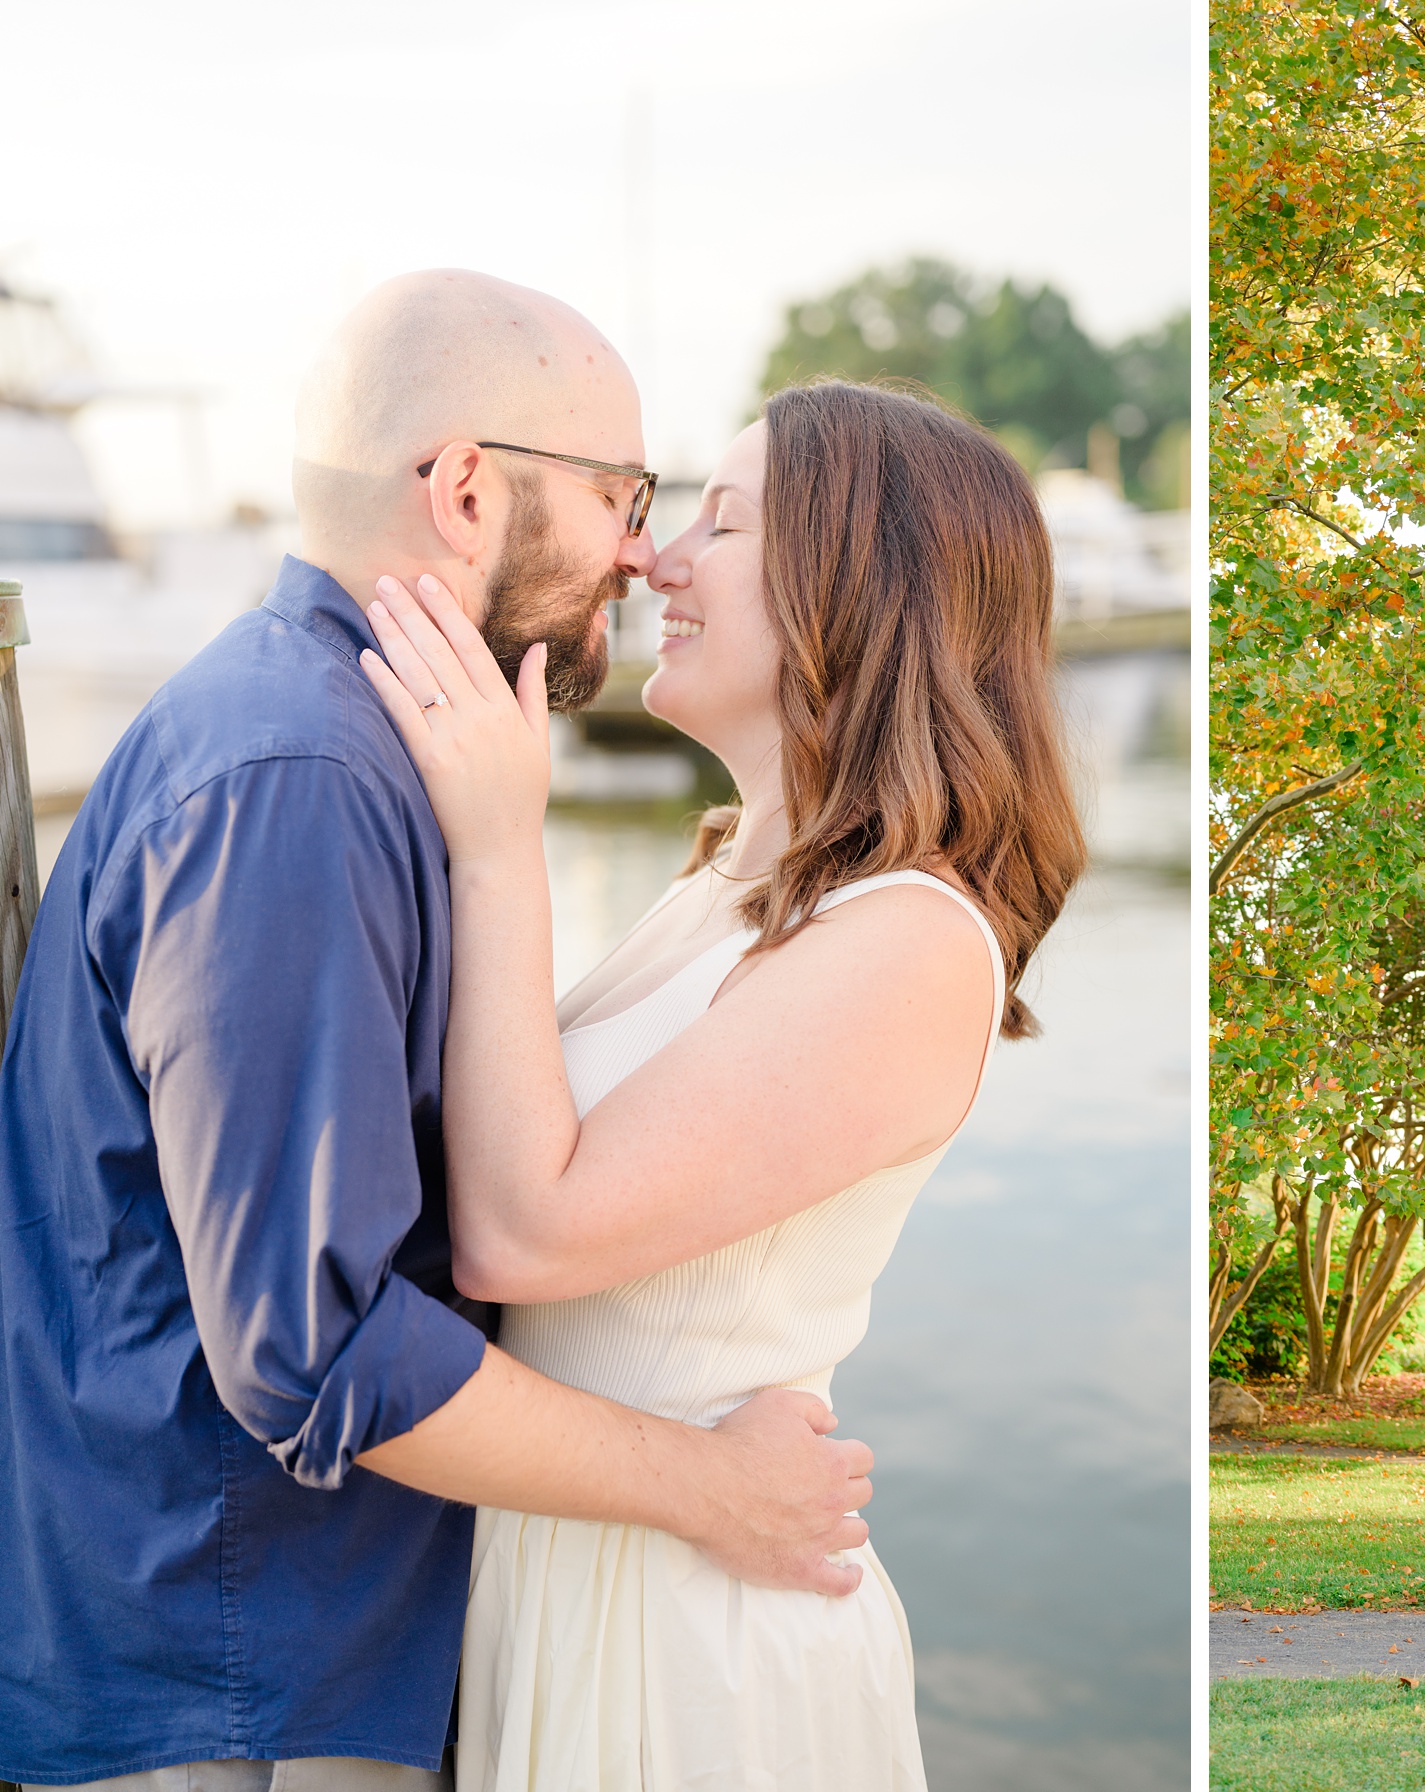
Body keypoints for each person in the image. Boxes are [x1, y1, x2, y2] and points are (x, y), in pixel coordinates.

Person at [0, 272, 874, 1790]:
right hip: (233, 1685)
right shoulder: (300, 779)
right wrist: (713, 1492)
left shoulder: (362, 745)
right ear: (468, 490)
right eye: (623, 492)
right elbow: (311, 1349)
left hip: (295, 1653)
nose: (638, 547)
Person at [356, 374, 1083, 1785]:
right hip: (579, 1568)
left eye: (723, 524)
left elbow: (528, 1230)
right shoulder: (728, 881)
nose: (651, 557)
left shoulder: (912, 943)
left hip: (693, 1652)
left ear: (854, 591)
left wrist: (503, 847)